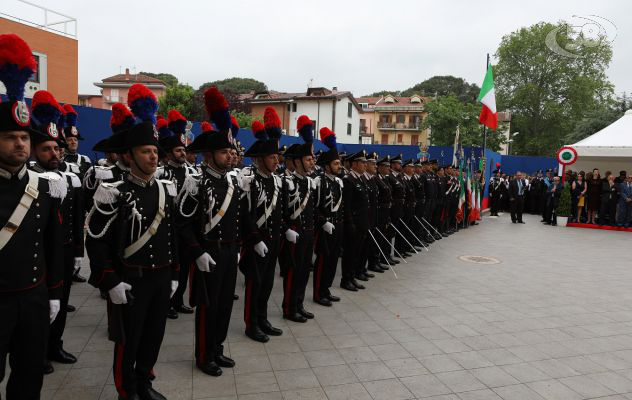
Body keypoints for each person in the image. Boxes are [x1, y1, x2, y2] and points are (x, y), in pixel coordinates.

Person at [85, 84, 179, 400]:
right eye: (145, 151)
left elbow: (172, 235)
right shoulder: (114, 191)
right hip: (131, 280)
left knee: (154, 336)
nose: (153, 156)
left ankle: (145, 382)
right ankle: (127, 389)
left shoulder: (167, 189)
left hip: (161, 275)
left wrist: (175, 273)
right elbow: (96, 240)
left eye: (155, 152)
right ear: (129, 155)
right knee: (129, 339)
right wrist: (109, 280)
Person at [0, 33, 65, 400]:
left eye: (24, 137)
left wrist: (53, 292)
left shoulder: (44, 186)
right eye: (10, 137)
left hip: (33, 298)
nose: (20, 144)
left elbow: (54, 244)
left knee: (28, 380)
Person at [178, 88, 248, 376]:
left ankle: (218, 349)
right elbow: (182, 223)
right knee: (207, 307)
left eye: (230, 152)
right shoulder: (196, 183)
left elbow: (239, 217)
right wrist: (197, 252)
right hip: (209, 251)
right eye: (223, 152)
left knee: (224, 305)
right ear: (209, 155)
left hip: (230, 251)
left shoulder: (233, 182)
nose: (230, 157)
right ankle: (204, 355)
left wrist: (240, 246)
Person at [28, 90, 85, 374]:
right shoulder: (29, 178)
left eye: (57, 148)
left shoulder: (68, 177)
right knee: (39, 306)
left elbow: (76, 217)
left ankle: (55, 344)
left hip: (62, 249)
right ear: (34, 150)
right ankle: (37, 353)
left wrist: (77, 251)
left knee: (60, 301)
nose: (54, 153)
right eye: (47, 149)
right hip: (35, 253)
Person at [239, 109, 285, 341]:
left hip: (273, 239)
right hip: (257, 241)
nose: (276, 161)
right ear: (259, 159)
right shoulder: (250, 181)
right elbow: (245, 214)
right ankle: (251, 323)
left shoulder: (276, 181)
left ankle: (263, 317)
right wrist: (254, 239)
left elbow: (279, 211)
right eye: (272, 157)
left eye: (277, 157)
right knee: (254, 284)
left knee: (267, 283)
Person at [280, 115, 316, 321]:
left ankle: (299, 304)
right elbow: (282, 211)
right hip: (294, 232)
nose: (312, 162)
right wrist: (287, 229)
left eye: (312, 159)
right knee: (293, 272)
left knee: (304, 272)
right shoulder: (287, 182)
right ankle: (289, 308)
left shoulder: (310, 182)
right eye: (309, 159)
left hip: (309, 232)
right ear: (297, 161)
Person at [312, 127, 344, 305]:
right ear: (327, 166)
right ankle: (318, 293)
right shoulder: (319, 182)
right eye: (336, 164)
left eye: (339, 164)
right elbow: (314, 207)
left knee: (332, 262)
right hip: (325, 228)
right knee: (323, 261)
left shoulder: (338, 182)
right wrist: (323, 222)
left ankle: (326, 289)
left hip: (337, 227)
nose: (339, 166)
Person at [342, 150, 370, 291]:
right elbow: (346, 205)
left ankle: (352, 277)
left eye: (365, 162)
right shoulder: (348, 180)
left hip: (362, 223)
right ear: (354, 164)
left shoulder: (361, 179)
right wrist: (350, 223)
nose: (365, 165)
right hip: (354, 224)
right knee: (349, 253)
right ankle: (345, 279)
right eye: (363, 162)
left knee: (357, 253)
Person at [60, 104, 92, 180]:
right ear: (64, 142)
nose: (73, 142)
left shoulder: (85, 159)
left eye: (75, 140)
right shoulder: (60, 158)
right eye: (70, 140)